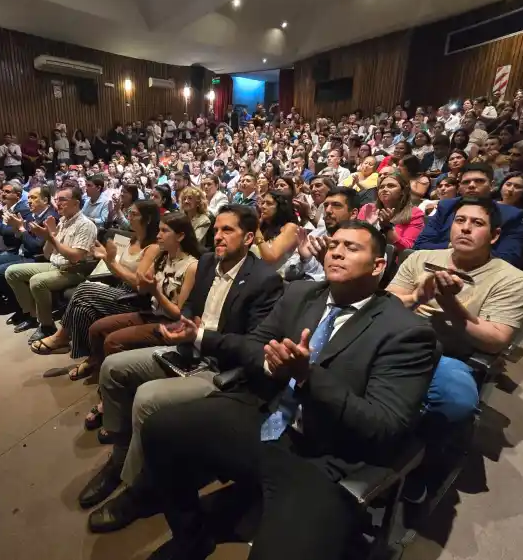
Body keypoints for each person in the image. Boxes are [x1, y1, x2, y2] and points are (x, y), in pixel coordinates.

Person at [141, 221, 438, 560]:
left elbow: (383, 425)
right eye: (335, 244)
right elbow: (253, 345)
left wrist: (308, 376)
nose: (337, 252)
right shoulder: (301, 294)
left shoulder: (406, 332)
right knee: (161, 428)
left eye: (352, 248)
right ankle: (192, 538)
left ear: (379, 265)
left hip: (322, 456)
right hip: (265, 419)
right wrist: (209, 341)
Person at [80, 205, 284, 532]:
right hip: (187, 348)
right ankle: (120, 456)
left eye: (227, 230)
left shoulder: (265, 280)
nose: (218, 236)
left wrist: (202, 334)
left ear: (248, 237)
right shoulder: (205, 262)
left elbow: (252, 344)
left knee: (148, 399)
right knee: (113, 368)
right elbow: (190, 306)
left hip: (221, 368)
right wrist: (184, 323)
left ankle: (138, 490)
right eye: (216, 229)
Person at [388, 197, 523, 421]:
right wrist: (417, 296)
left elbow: (495, 339)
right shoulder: (420, 257)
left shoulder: (512, 279)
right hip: (397, 339)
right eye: (460, 220)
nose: (465, 228)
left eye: (477, 223)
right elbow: (387, 303)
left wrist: (449, 304)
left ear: (494, 236)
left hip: (449, 354)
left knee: (457, 403)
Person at [31, 200, 161, 364]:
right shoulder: (132, 240)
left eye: (134, 214)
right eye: (129, 212)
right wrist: (106, 260)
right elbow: (117, 272)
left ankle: (61, 337)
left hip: (135, 298)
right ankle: (92, 357)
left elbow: (138, 283)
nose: (129, 217)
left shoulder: (153, 248)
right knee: (81, 308)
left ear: (147, 219)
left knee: (84, 289)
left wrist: (111, 261)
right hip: (120, 288)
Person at [84, 212, 201, 376]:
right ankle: (99, 371)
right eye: (159, 230)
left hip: (169, 323)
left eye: (164, 231)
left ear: (180, 236)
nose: (158, 235)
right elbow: (142, 288)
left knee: (113, 341)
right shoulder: (162, 257)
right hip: (150, 313)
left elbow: (179, 314)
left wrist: (155, 292)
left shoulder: (191, 266)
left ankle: (115, 386)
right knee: (96, 329)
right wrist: (142, 283)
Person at [4, 186, 98, 343]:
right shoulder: (62, 221)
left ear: (76, 203)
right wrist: (50, 236)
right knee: (12, 272)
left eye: (63, 200)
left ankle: (47, 326)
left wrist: (51, 237)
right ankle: (34, 316)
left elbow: (75, 257)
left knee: (37, 281)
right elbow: (47, 254)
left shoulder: (85, 225)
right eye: (57, 200)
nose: (58, 203)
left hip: (74, 270)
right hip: (55, 265)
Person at [415, 163, 523, 267]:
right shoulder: (446, 207)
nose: (472, 185)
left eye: (479, 181)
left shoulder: (510, 215)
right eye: (466, 182)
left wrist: (462, 250)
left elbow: (508, 258)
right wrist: (453, 246)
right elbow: (421, 244)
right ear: (459, 187)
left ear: (492, 185)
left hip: (482, 274)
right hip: (437, 265)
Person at [283, 186, 360, 282]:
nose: (328, 210)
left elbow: (349, 286)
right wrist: (303, 259)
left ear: (353, 214)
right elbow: (287, 274)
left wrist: (327, 262)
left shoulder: (361, 243)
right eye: (326, 205)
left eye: (336, 205)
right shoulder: (314, 236)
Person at [358, 173, 425, 254]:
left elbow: (407, 250)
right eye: (381, 187)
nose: (384, 189)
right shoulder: (367, 208)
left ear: (403, 192)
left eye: (391, 186)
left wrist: (388, 228)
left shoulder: (415, 214)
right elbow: (356, 236)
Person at [252, 191, 300, 277]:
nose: (263, 206)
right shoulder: (264, 226)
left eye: (269, 203)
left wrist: (256, 230)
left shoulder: (290, 227)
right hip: (257, 274)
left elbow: (271, 257)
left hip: (276, 279)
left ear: (281, 207)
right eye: (263, 203)